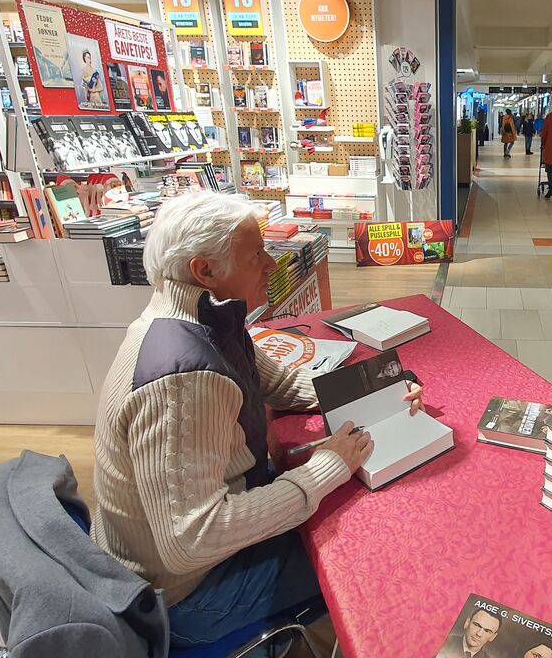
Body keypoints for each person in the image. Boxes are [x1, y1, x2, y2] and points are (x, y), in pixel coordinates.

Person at [91, 192, 425, 649]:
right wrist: (323, 470)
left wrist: (379, 389)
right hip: (186, 597)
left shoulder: (201, 322)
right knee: (380, 545)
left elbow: (282, 386)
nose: (270, 264)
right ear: (205, 271)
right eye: (255, 255)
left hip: (183, 568)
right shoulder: (185, 378)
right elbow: (191, 539)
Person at [436, 608, 500, 658]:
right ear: (467, 623)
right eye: (477, 625)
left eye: (487, 631)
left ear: (493, 637)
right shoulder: (442, 641)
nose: (479, 634)